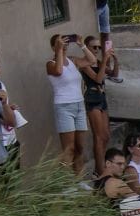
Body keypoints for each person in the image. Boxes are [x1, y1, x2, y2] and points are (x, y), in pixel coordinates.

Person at [46, 33, 96, 175]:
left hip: (79, 105)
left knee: (80, 147)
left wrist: (82, 45)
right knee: (69, 149)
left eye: (65, 41)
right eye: (60, 42)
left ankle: (77, 179)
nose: (64, 44)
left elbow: (92, 60)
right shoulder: (50, 63)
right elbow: (58, 71)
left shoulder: (73, 60)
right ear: (53, 47)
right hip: (64, 106)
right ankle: (62, 182)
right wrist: (59, 50)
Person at [81, 36, 114, 176]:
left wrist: (115, 59)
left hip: (102, 97)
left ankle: (99, 166)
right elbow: (98, 79)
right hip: (92, 98)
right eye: (94, 47)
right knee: (99, 136)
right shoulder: (84, 63)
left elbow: (114, 73)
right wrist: (105, 60)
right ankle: (100, 171)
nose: (97, 50)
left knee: (106, 136)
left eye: (99, 47)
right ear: (87, 48)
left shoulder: (100, 62)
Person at [95, 0, 123, 82]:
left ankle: (108, 67)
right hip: (93, 8)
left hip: (104, 5)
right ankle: (104, 70)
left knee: (106, 36)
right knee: (93, 37)